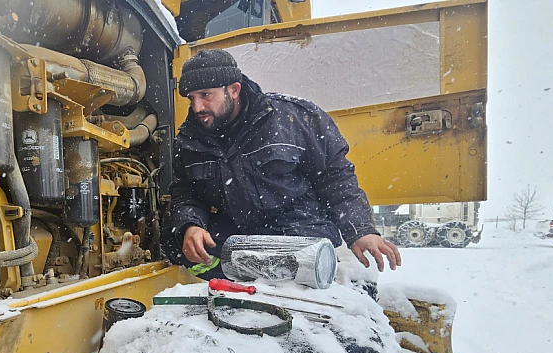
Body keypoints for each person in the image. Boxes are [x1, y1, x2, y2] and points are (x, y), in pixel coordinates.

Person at [163, 49, 401, 278]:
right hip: (241, 235)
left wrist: (361, 230)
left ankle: (279, 277)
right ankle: (231, 280)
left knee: (301, 267)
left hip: (299, 231)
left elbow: (335, 177)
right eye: (191, 98)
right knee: (175, 240)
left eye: (206, 95)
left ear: (234, 90)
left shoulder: (293, 118)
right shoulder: (189, 141)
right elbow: (185, 193)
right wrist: (191, 226)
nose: (197, 107)